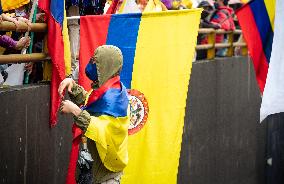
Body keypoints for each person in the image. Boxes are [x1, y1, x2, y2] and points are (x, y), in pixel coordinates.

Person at [58, 45, 130, 184]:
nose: (91, 65)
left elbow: (102, 130)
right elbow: (90, 102)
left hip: (106, 174)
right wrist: (72, 85)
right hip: (96, 168)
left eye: (95, 62)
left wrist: (75, 111)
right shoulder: (107, 88)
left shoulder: (114, 99)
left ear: (105, 66)